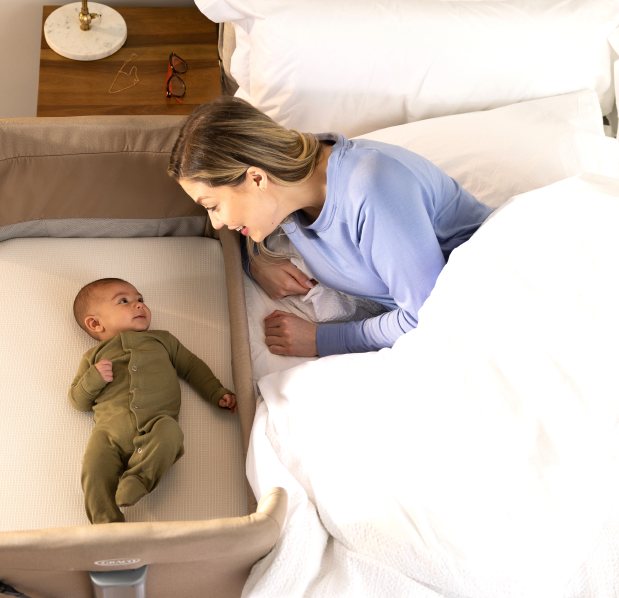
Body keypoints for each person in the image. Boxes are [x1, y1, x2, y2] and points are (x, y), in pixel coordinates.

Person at [167, 97, 494, 357]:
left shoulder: (371, 190)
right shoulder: (288, 184)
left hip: (483, 299)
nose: (216, 222)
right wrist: (258, 257)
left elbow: (424, 317)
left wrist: (321, 339)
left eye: (213, 206)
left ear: (256, 178)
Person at [68, 277, 237, 524]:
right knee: (93, 470)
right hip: (108, 433)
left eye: (140, 299)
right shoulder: (93, 357)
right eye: (124, 301)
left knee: (171, 434)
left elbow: (192, 367)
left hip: (156, 422)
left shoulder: (163, 340)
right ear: (95, 323)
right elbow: (77, 400)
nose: (139, 305)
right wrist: (93, 378)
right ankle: (106, 525)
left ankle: (138, 479)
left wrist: (215, 392)